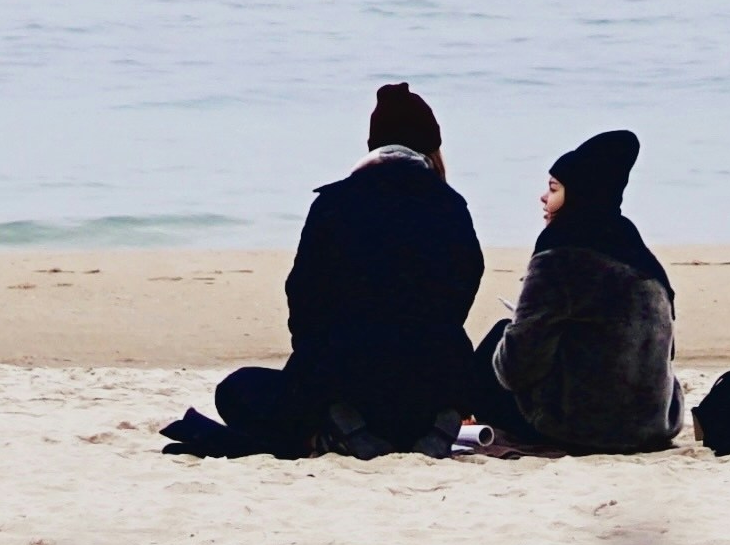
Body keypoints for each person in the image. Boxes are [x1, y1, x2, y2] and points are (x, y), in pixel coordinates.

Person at [163, 83, 484, 457]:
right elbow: (464, 287)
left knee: (237, 390)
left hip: (347, 377)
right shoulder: (450, 205)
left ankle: (339, 426)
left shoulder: (335, 202)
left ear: (373, 144)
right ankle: (437, 421)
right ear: (431, 148)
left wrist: (315, 364)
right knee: (444, 358)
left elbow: (302, 295)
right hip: (433, 380)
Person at [471, 129, 684, 454]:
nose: (543, 197)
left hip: (582, 428)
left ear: (579, 195)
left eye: (553, 189)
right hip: (655, 424)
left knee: (500, 338)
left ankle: (458, 417)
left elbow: (517, 368)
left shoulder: (560, 252)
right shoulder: (639, 252)